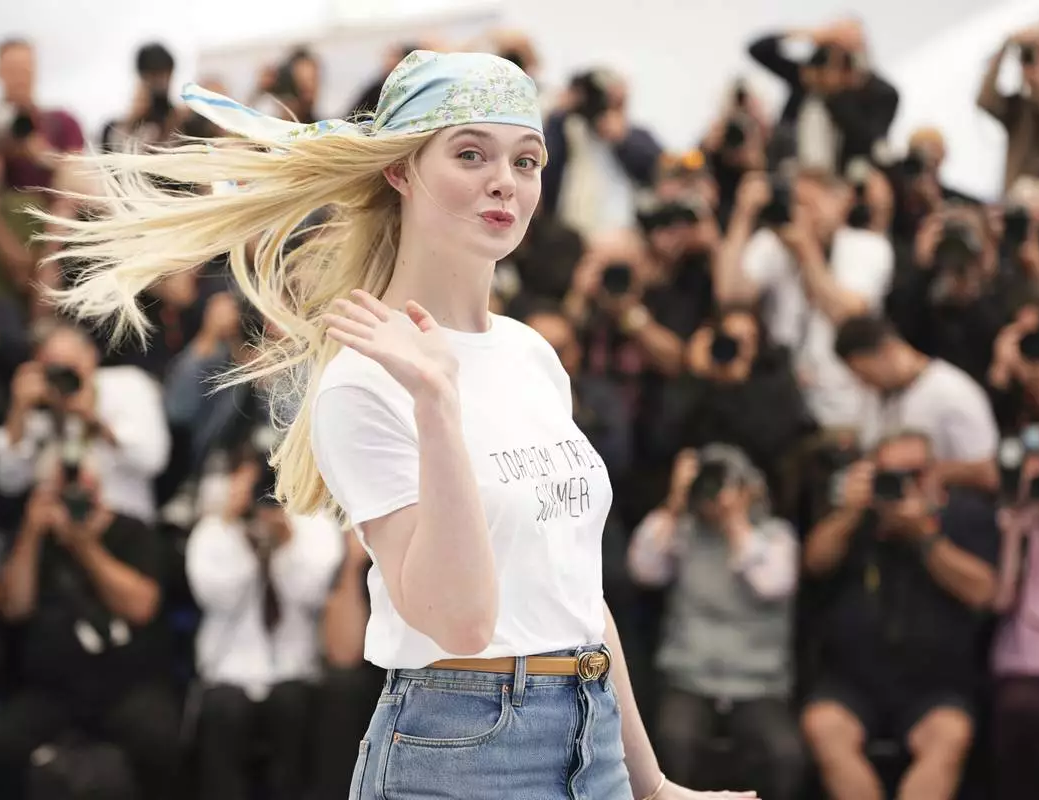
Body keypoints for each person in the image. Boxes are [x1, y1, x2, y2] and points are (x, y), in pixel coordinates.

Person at [38, 50, 754, 800]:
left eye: (527, 159)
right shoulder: (363, 379)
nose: (505, 180)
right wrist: (437, 405)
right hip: (463, 750)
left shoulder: (530, 353)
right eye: (470, 153)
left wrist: (652, 784)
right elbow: (464, 622)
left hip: (592, 740)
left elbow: (577, 597)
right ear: (400, 171)